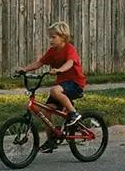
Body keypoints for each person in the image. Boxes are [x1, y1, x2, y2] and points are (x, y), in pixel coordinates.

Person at [18, 21, 87, 153]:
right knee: (47, 111)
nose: (51, 40)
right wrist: (24, 69)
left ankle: (73, 114)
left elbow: (70, 63)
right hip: (62, 85)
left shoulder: (69, 49)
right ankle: (52, 140)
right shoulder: (52, 51)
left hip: (75, 83)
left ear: (63, 37)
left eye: (53, 37)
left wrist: (60, 70)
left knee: (54, 90)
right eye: (50, 37)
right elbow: (40, 62)